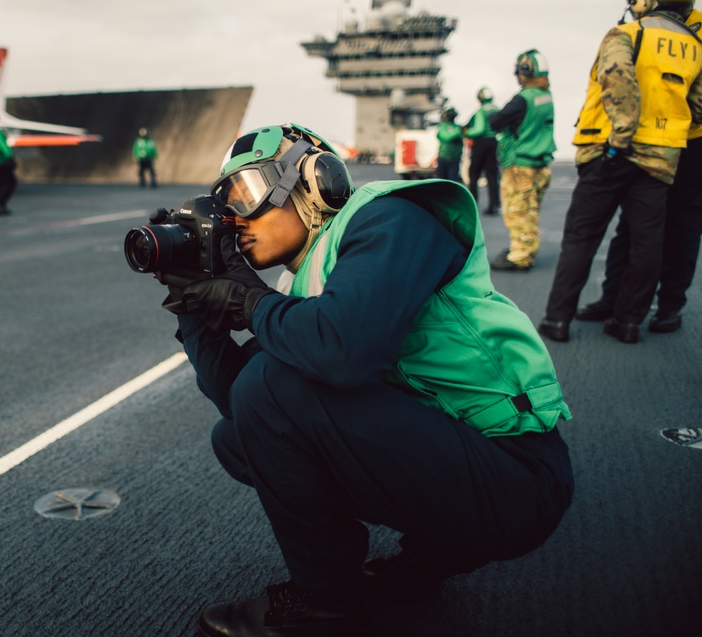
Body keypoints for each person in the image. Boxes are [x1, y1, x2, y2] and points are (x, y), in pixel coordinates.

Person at [158, 124, 574, 636]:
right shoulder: (306, 279)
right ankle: (440, 545)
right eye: (225, 204)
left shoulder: (393, 218)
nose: (234, 218)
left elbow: (342, 352)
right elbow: (240, 401)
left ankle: (325, 604)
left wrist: (251, 301)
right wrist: (194, 301)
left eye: (246, 193)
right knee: (238, 436)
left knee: (272, 383)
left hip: (519, 477)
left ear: (316, 180)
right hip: (461, 457)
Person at [540, 0, 702, 344]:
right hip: (661, 159)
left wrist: (621, 137)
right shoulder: (695, 46)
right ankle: (628, 323)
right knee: (648, 242)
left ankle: (557, 320)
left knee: (582, 237)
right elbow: (697, 106)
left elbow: (617, 77)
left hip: (611, 151)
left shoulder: (628, 33)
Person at [576, 5, 702, 336]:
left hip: (687, 140)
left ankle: (668, 305)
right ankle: (618, 301)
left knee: (681, 224)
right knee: (637, 223)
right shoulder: (679, 28)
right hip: (659, 138)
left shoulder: (663, 27)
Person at [487, 49, 557, 272]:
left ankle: (520, 256)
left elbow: (495, 121)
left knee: (517, 213)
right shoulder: (546, 96)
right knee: (531, 211)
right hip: (541, 165)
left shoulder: (523, 99)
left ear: (525, 72)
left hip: (521, 166)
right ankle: (526, 247)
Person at [463, 86, 502, 215]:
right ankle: (494, 204)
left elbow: (479, 129)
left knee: (474, 174)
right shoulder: (496, 109)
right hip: (493, 142)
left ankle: (472, 204)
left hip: (481, 143)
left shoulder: (480, 111)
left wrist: (467, 132)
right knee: (492, 175)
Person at [435, 106, 463, 183]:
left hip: (455, 159)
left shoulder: (457, 127)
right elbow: (447, 137)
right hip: (444, 158)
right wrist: (458, 131)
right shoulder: (442, 127)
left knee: (453, 182)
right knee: (441, 182)